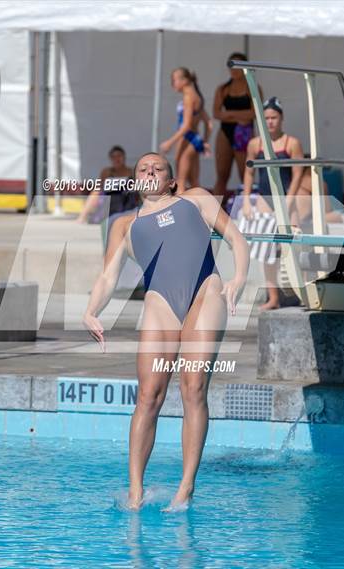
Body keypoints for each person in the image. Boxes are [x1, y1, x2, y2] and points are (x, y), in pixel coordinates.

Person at [83, 152, 249, 510]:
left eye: (158, 167)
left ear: (172, 181)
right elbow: (108, 276)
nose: (150, 171)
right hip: (160, 303)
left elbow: (236, 238)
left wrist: (239, 277)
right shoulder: (124, 226)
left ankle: (186, 487)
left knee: (192, 388)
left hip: (205, 293)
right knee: (148, 396)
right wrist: (91, 310)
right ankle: (136, 491)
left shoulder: (195, 199)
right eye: (142, 169)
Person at [242, 97, 304, 311]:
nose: (270, 122)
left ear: (281, 118)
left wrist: (289, 200)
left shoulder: (291, 143)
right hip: (264, 200)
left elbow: (297, 174)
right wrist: (246, 202)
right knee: (266, 250)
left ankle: (299, 292)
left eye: (273, 118)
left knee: (294, 246)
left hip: (287, 198)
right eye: (266, 118)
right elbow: (249, 173)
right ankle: (273, 298)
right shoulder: (254, 144)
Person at [213, 52, 263, 206]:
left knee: (245, 175)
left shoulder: (252, 88)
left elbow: (256, 112)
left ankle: (247, 208)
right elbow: (216, 113)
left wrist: (229, 114)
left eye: (238, 65)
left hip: (244, 134)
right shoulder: (223, 89)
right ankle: (213, 211)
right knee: (222, 175)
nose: (234, 69)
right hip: (225, 133)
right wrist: (239, 116)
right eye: (231, 65)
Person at [160, 68, 212, 194]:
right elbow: (209, 123)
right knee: (194, 182)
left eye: (174, 80)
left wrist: (170, 142)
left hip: (188, 139)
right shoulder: (197, 96)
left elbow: (187, 125)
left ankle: (179, 213)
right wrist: (204, 141)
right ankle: (203, 212)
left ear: (185, 80)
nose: (173, 84)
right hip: (195, 140)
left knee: (180, 181)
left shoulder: (188, 97)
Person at [77, 146, 136, 245]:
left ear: (124, 157)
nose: (117, 159)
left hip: (126, 199)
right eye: (114, 157)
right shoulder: (107, 171)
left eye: (119, 156)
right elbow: (101, 187)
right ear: (111, 159)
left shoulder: (131, 171)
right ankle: (82, 216)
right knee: (96, 191)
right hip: (111, 198)